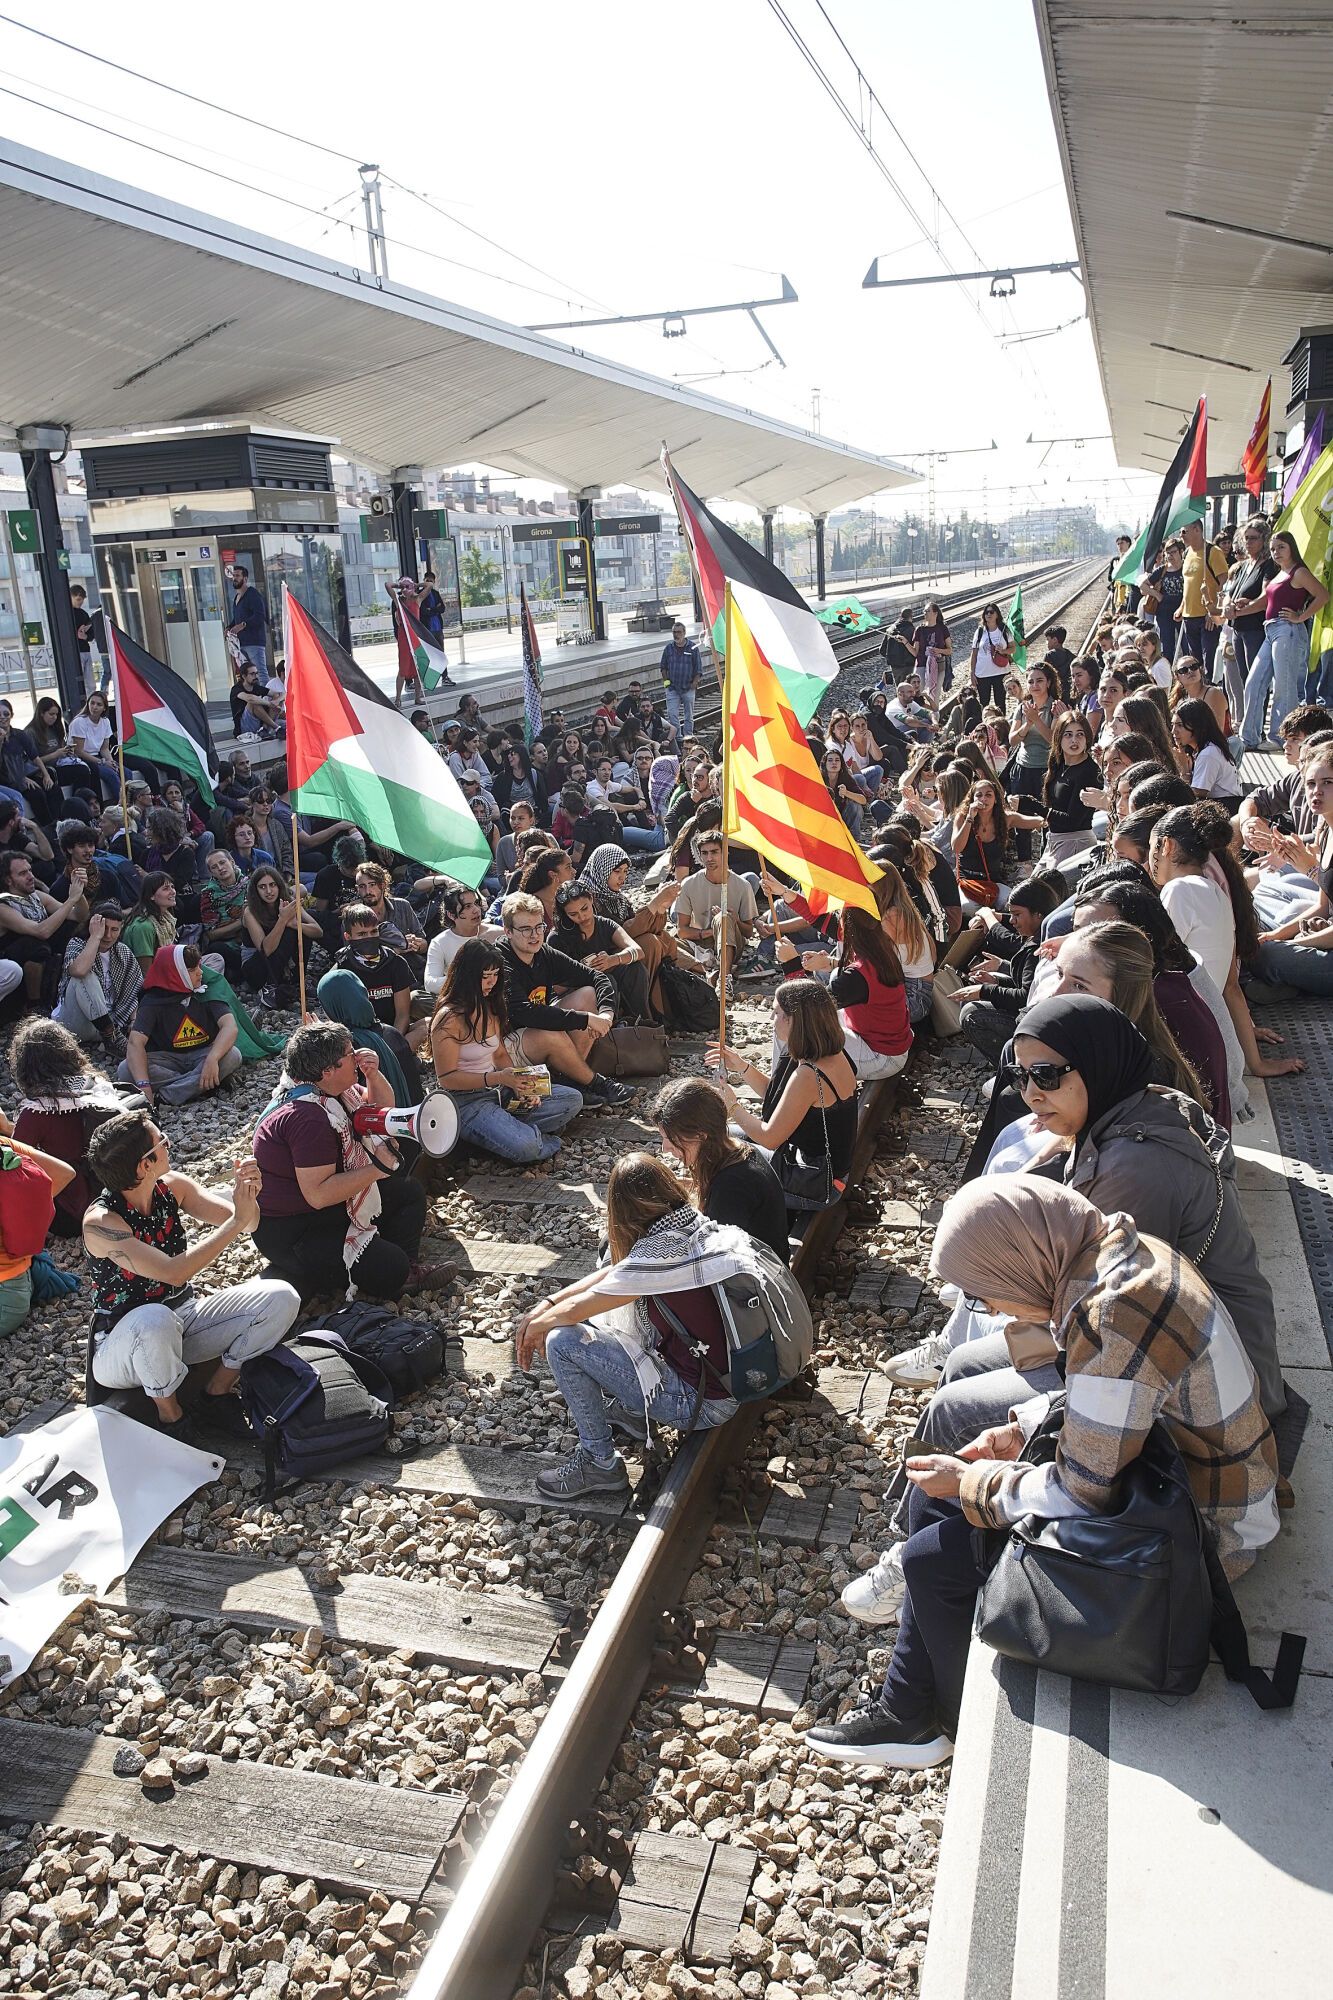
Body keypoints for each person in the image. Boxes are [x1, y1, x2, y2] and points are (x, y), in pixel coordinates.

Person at [808, 1176, 1278, 1768]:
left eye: (986, 1292)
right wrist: (1019, 1429)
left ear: (1016, 1264)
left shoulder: (1113, 1316)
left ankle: (939, 1722)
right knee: (931, 1505)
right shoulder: (1120, 1257)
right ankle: (908, 1707)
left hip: (1206, 1531)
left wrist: (974, 1484)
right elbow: (1123, 1399)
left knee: (932, 1560)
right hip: (1175, 1476)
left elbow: (1083, 1491)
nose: (992, 1310)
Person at [999, 994, 1282, 1415]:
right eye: (1019, 1076)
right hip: (1187, 1346)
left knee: (955, 1407)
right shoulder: (1138, 1106)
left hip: (1218, 1392)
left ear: (1098, 1061)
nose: (1030, 1094)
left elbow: (1105, 1315)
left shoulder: (1135, 1167)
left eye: (1045, 1075)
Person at [515, 1152, 746, 1499]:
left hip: (702, 1403)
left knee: (562, 1341)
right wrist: (548, 1305)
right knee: (588, 1316)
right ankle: (634, 1412)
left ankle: (599, 1462)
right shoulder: (688, 1226)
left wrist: (538, 1327)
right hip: (725, 1383)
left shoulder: (660, 1258)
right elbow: (616, 1272)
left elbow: (584, 1305)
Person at [82, 1109, 300, 1444]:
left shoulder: (172, 1188)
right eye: (163, 1142)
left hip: (181, 1319)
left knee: (281, 1297)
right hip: (122, 1346)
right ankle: (171, 1418)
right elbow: (174, 1272)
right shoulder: (101, 1223)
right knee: (153, 1319)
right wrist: (237, 1221)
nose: (169, 1146)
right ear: (144, 1165)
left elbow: (250, 1222)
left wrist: (248, 1194)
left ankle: (217, 1392)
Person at [252, 1021, 451, 1302]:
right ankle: (384, 1271)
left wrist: (373, 1075)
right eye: (349, 1054)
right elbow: (318, 1195)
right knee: (391, 1267)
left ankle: (401, 1269)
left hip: (319, 1210)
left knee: (408, 1193)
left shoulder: (324, 1090)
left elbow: (381, 1112)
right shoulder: (308, 1118)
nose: (356, 1057)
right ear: (327, 1071)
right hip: (294, 1230)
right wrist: (376, 1169)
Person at [430, 938, 583, 1163]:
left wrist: (519, 1084)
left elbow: (500, 1054)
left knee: (572, 1098)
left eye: (495, 975)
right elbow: (447, 1079)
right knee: (527, 1147)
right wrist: (500, 1078)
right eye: (485, 976)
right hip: (468, 1101)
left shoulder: (489, 1004)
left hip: (500, 1090)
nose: (491, 982)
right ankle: (522, 1136)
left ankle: (504, 1132)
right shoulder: (449, 1018)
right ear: (467, 975)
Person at [712, 979, 859, 1213]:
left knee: (718, 1152)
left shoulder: (808, 1076)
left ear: (794, 1020)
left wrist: (732, 1106)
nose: (772, 1018)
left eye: (777, 1012)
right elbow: (782, 1099)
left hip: (816, 1181)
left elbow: (769, 1138)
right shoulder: (831, 1053)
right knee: (719, 1134)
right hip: (822, 1169)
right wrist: (742, 1066)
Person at [497, 891, 632, 1108]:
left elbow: (597, 977)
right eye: (525, 929)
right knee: (553, 1033)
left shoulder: (543, 952)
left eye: (539, 927)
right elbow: (524, 1013)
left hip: (534, 1034)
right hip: (503, 1050)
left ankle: (569, 1079)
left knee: (588, 995)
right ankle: (596, 1082)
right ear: (508, 931)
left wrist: (606, 1014)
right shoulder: (500, 961)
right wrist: (586, 1020)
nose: (534, 935)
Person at [652, 1078, 789, 1264]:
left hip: (760, 1275)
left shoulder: (731, 1187)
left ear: (701, 1136)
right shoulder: (737, 1148)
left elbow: (715, 1259)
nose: (665, 1148)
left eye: (672, 1139)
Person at [1247, 735, 1333, 998]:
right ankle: (1292, 981)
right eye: (1311, 783)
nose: (1317, 791)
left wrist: (1295, 941)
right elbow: (1322, 906)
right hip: (1326, 932)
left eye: (1328, 783)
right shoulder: (1326, 832)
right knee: (1257, 939)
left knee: (1265, 954)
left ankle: (1291, 981)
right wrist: (1277, 935)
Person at [798, 892, 912, 1079]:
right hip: (891, 1046)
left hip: (882, 1057)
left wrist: (791, 966)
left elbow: (807, 1009)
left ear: (848, 928)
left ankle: (780, 1088)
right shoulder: (882, 952)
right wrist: (828, 963)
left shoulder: (858, 975)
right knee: (834, 977)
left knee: (798, 1029)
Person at [118, 944, 242, 1107]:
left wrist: (212, 1059)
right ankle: (205, 1084)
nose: (200, 972)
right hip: (168, 1058)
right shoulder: (153, 1001)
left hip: (203, 1054)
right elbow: (135, 1042)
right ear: (174, 974)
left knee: (233, 1055)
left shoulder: (206, 990)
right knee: (125, 1070)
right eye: (192, 970)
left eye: (199, 966)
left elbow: (230, 1027)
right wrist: (144, 1086)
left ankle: (168, 1095)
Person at [550, 878, 654, 1023]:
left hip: (605, 979)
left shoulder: (605, 924)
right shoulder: (557, 938)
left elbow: (638, 951)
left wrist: (613, 960)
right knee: (606, 980)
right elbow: (556, 987)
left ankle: (642, 1022)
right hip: (573, 995)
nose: (581, 917)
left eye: (585, 908)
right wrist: (582, 972)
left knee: (635, 969)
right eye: (573, 914)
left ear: (591, 899)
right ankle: (610, 1027)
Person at [673, 834, 762, 989]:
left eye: (714, 852)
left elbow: (748, 932)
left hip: (731, 943)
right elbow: (682, 931)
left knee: (723, 917)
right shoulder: (689, 884)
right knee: (663, 942)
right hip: (700, 943)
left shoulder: (742, 885)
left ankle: (724, 979)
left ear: (725, 852)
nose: (709, 858)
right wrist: (710, 932)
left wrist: (734, 920)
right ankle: (707, 971)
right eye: (704, 853)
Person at [0, 849, 89, 1005]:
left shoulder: (37, 896)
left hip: (41, 954)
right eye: (23, 873)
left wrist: (79, 893)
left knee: (71, 929)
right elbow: (42, 931)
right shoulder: (3, 906)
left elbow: (79, 916)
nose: (31, 876)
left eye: (30, 870)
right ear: (8, 880)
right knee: (35, 946)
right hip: (11, 965)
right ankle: (34, 1005)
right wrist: (71, 900)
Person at [53, 903, 143, 1054]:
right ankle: (112, 1037)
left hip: (114, 1022)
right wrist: (95, 936)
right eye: (104, 928)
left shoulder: (122, 951)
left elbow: (133, 990)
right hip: (75, 1024)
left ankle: (111, 1036)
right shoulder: (77, 944)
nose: (108, 935)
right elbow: (78, 971)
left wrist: (134, 1021)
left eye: (114, 930)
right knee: (83, 976)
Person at [334, 905, 425, 1051]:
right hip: (359, 1039)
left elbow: (402, 1014)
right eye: (362, 934)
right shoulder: (341, 969)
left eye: (373, 931)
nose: (369, 938)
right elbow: (338, 1019)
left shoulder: (395, 962)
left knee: (428, 1024)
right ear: (348, 937)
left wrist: (390, 1045)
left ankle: (396, 1055)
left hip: (393, 1033)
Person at [240, 864, 320, 1005]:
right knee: (288, 932)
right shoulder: (250, 911)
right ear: (255, 890)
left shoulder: (289, 901)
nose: (269, 891)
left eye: (272, 885)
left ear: (279, 886)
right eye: (262, 887)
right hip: (257, 967)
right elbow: (265, 950)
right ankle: (269, 987)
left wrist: (295, 924)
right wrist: (282, 920)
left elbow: (318, 931)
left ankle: (299, 979)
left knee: (300, 929)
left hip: (281, 962)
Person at [1040, 712, 1099, 869]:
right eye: (1068, 735)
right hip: (1054, 841)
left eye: (1080, 734)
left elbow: (1073, 820)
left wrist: (1033, 807)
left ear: (1087, 738)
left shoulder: (1089, 771)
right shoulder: (1059, 764)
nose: (1074, 740)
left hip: (1077, 844)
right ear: (1059, 738)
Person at [1176, 518, 1230, 675]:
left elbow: (1224, 583)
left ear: (1197, 530)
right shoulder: (1187, 553)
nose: (1181, 535)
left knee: (1209, 664)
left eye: (1184, 531)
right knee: (1195, 664)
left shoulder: (1213, 552)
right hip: (1189, 616)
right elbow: (1189, 584)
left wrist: (1213, 612)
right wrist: (1181, 607)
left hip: (1207, 618)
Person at [1172, 697, 1241, 807]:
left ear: (1197, 726)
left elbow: (1194, 797)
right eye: (1173, 725)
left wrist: (1184, 770)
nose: (1173, 731)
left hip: (1226, 809)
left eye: (1180, 725)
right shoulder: (1203, 749)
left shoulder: (1208, 754)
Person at [66, 693, 120, 799]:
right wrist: (103, 762)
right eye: (92, 703)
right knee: (111, 775)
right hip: (81, 759)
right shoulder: (79, 722)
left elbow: (104, 748)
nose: (94, 707)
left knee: (124, 772)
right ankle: (122, 804)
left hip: (98, 756)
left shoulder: (105, 721)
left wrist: (111, 762)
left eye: (99, 704)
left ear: (104, 708)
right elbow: (79, 751)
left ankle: (131, 801)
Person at [660, 622, 702, 740]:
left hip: (688, 687)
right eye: (674, 632)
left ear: (684, 633)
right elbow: (663, 667)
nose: (676, 635)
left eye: (678, 632)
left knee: (689, 715)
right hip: (672, 688)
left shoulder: (693, 648)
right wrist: (666, 682)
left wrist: (694, 683)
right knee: (672, 714)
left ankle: (688, 736)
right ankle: (677, 737)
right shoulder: (668, 648)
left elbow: (698, 668)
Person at [226, 564, 269, 676]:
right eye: (233, 576)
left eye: (237, 576)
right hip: (240, 644)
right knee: (248, 676)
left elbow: (260, 616)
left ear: (245, 579)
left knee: (260, 673)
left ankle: (266, 689)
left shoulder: (253, 595)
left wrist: (242, 625)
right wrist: (229, 627)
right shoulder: (237, 597)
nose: (234, 578)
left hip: (254, 642)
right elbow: (237, 618)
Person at [967, 604, 1013, 705]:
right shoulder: (980, 631)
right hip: (983, 673)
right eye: (986, 612)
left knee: (1000, 703)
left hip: (1001, 672)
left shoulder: (1004, 630)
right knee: (984, 703)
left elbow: (1013, 649)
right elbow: (974, 654)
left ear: (997, 614)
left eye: (991, 612)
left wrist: (1003, 651)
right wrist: (972, 672)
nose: (989, 614)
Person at [913, 601, 952, 702]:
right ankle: (921, 711)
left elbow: (949, 650)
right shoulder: (919, 629)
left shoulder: (942, 628)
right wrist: (905, 642)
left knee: (934, 695)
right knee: (917, 694)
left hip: (938, 666)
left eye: (927, 611)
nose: (925, 613)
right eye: (924, 611)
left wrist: (939, 650)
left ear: (935, 613)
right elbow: (915, 652)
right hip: (922, 664)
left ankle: (934, 711)